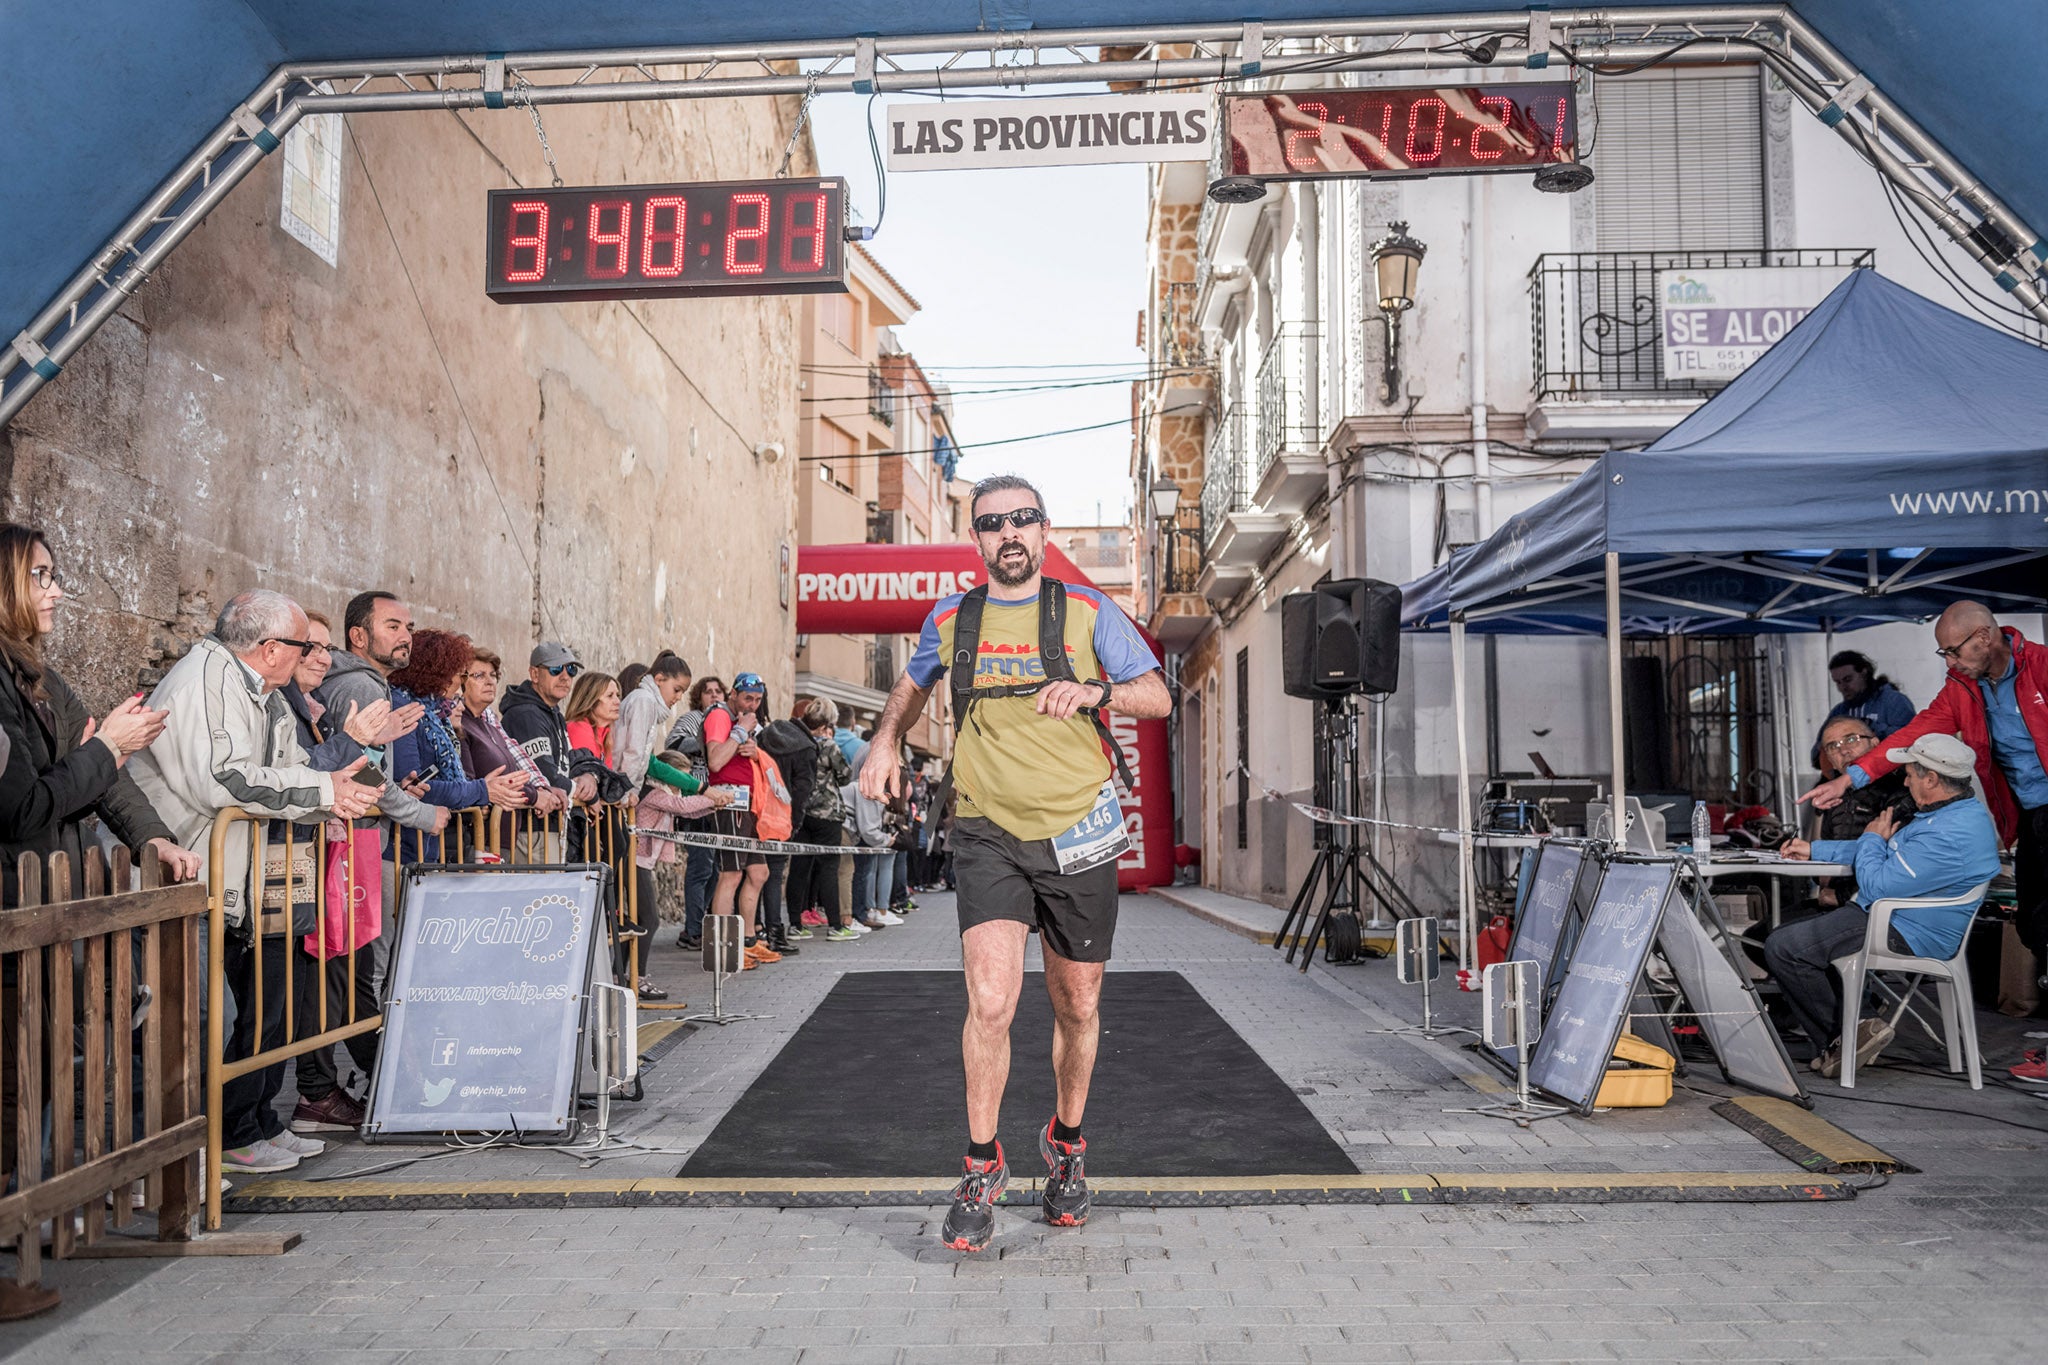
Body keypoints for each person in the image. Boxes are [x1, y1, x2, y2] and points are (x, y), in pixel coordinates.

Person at [859, 473, 1171, 1251]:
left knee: (1077, 1006)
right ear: (977, 539)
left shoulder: (1089, 611)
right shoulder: (953, 617)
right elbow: (909, 686)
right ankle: (980, 1164)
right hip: (987, 829)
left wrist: (1096, 691)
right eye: (993, 522)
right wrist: (885, 739)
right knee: (991, 1001)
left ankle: (1066, 1146)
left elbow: (1158, 696)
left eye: (1023, 520)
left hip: (1078, 831)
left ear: (1043, 529)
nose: (1010, 533)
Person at [128, 590, 380, 1173]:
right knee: (199, 1025)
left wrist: (332, 793)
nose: (315, 656)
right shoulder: (206, 681)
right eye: (305, 646)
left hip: (235, 877)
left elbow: (289, 767)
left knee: (252, 1014)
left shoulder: (260, 692)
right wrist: (324, 793)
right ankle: (172, 1161)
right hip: (189, 873)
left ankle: (241, 1130)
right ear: (271, 649)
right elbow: (224, 780)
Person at [1801, 602, 2047, 1081]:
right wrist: (1847, 780)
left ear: (1983, 637)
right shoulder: (1963, 687)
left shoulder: (2041, 666)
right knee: (2035, 925)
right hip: (2030, 815)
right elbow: (1913, 733)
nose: (1948, 662)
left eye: (1952, 651)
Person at [1775, 733, 2003, 1078]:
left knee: (1784, 947)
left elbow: (1877, 882)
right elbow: (1886, 848)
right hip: (1895, 916)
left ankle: (1847, 1038)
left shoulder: (1950, 832)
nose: (1906, 779)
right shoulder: (1945, 814)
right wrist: (1815, 850)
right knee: (1788, 937)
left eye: (1911, 773)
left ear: (1932, 779)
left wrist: (1870, 837)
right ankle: (1854, 1031)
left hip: (1905, 927)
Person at [0, 523, 199, 895]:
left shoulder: (46, 681)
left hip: (55, 891)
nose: (56, 592)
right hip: (13, 899)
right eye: (40, 576)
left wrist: (152, 839)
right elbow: (19, 810)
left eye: (53, 576)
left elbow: (102, 769)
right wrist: (109, 747)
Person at [279, 609, 413, 1135]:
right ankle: (313, 1093)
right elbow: (306, 775)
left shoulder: (306, 703)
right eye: (308, 647)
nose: (320, 657)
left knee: (343, 978)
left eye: (324, 648)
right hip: (310, 863)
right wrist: (358, 745)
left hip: (332, 859)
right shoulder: (324, 696)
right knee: (321, 984)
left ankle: (325, 1089)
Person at [388, 629, 530, 863]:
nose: (460, 683)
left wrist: (480, 790)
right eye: (459, 674)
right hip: (403, 851)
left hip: (426, 846)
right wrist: (482, 790)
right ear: (438, 674)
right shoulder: (408, 709)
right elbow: (414, 785)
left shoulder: (433, 714)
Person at [633, 749, 731, 1000]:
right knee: (649, 920)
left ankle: (625, 974)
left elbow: (686, 810)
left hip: (642, 862)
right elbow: (681, 805)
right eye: (680, 781)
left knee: (637, 920)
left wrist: (713, 806)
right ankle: (637, 977)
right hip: (635, 860)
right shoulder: (656, 794)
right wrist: (712, 797)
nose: (682, 787)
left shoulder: (664, 794)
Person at [705, 671, 779, 967]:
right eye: (747, 698)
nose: (752, 705)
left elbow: (735, 754)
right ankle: (723, 949)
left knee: (759, 873)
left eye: (758, 700)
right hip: (729, 802)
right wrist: (740, 733)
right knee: (731, 875)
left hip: (750, 803)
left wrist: (753, 750)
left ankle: (748, 940)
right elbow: (716, 760)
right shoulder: (720, 715)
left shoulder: (742, 720)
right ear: (732, 693)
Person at [500, 642, 598, 860]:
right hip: (531, 828)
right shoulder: (526, 715)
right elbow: (546, 773)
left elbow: (568, 761)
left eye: (570, 670)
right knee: (540, 894)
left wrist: (588, 776)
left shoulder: (553, 713)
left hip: (551, 824)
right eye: (556, 670)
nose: (565, 676)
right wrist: (590, 797)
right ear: (535, 674)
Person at [455, 646, 563, 823]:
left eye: (493, 675)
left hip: (505, 834)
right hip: (481, 836)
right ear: (461, 683)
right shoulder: (461, 726)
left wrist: (541, 789)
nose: (490, 682)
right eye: (479, 676)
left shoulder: (489, 724)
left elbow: (516, 769)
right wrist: (534, 795)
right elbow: (475, 783)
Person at [787, 699, 858, 942]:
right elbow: (845, 776)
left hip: (801, 812)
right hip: (828, 814)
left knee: (799, 868)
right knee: (829, 868)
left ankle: (795, 924)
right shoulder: (828, 746)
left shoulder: (797, 744)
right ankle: (836, 927)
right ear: (829, 722)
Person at [669, 676, 726, 951]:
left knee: (715, 870)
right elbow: (673, 746)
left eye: (718, 692)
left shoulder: (725, 719)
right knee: (700, 868)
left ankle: (699, 923)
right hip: (695, 802)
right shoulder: (693, 719)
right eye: (708, 692)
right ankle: (692, 931)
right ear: (698, 697)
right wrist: (705, 740)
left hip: (718, 804)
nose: (714, 696)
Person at [1811, 650, 1915, 768]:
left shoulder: (1893, 701)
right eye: (1838, 682)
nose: (1843, 687)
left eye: (1848, 679)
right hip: (1850, 778)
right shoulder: (1839, 712)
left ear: (1864, 673)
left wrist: (1874, 728)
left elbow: (1911, 740)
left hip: (1890, 777)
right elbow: (1815, 755)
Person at [619, 651, 691, 789]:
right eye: (677, 690)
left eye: (683, 692)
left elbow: (643, 759)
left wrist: (634, 791)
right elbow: (633, 753)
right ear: (659, 679)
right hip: (617, 787)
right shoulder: (643, 700)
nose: (679, 697)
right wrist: (624, 792)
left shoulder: (650, 705)